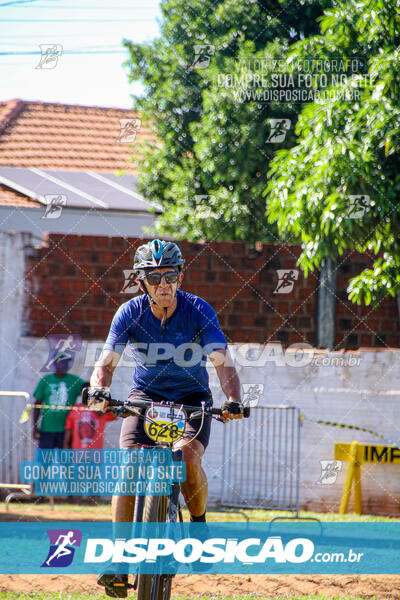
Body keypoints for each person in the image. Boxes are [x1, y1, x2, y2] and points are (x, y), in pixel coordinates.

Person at [89, 239, 245, 594]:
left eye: (170, 276)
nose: (163, 284)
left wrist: (233, 399)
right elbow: (106, 361)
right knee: (129, 465)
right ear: (140, 280)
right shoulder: (129, 313)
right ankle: (119, 558)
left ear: (180, 276)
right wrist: (99, 391)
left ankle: (199, 527)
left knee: (188, 459)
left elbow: (221, 361)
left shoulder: (198, 310)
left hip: (192, 399)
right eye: (154, 277)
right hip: (145, 398)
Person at [32, 353, 85, 449]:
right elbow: (37, 404)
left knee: (66, 461)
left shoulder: (75, 381)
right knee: (44, 460)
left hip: (67, 430)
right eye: (60, 362)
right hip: (47, 429)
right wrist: (34, 426)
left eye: (66, 363)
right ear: (54, 363)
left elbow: (87, 390)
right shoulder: (45, 380)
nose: (63, 365)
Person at [63, 382, 116, 450]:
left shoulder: (101, 408)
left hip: (96, 451)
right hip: (77, 451)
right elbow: (69, 428)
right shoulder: (76, 408)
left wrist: (106, 402)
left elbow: (114, 416)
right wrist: (66, 444)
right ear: (81, 394)